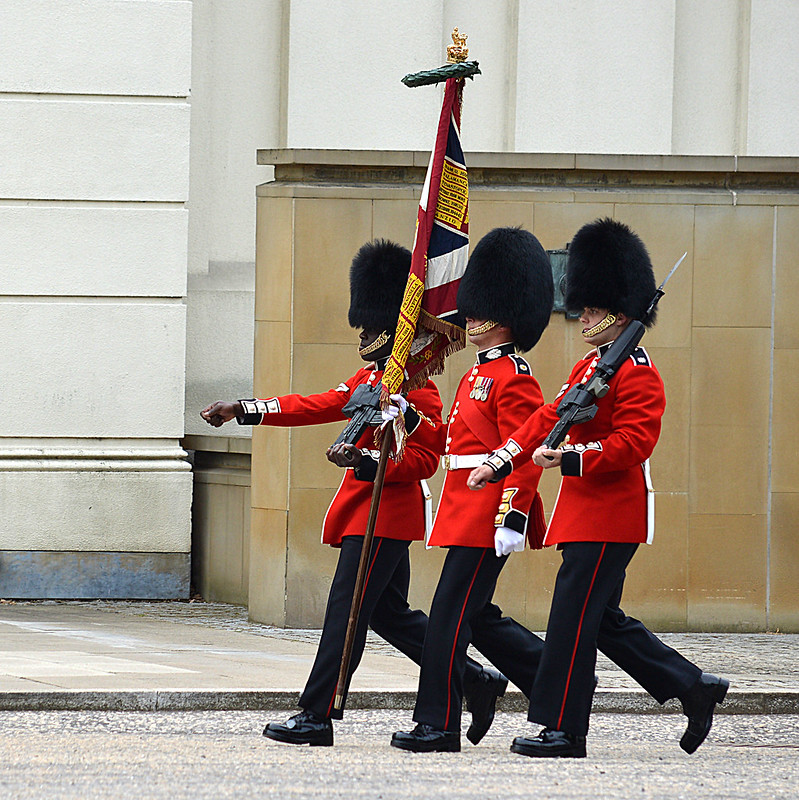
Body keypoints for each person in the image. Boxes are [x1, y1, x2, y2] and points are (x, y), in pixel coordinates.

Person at [201, 239, 505, 747]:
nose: (362, 333)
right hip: (368, 514)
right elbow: (315, 404)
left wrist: (368, 458)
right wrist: (243, 408)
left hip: (385, 516)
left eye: (369, 325)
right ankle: (474, 678)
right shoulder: (372, 377)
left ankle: (317, 714)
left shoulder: (418, 386)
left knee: (344, 617)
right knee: (389, 615)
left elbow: (425, 459)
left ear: (391, 328)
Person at [467, 218, 729, 758]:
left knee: (572, 620)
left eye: (589, 307)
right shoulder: (591, 365)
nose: (581, 314)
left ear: (617, 308)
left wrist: (574, 458)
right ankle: (693, 687)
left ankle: (564, 729)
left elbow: (635, 442)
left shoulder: (636, 370)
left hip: (611, 514)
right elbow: (547, 417)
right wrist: (503, 457)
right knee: (603, 620)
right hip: (584, 513)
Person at [391, 227, 555, 753]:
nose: (473, 320)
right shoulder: (474, 374)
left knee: (448, 618)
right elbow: (451, 444)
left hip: (487, 511)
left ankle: (437, 723)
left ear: (509, 315)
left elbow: (523, 450)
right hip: (463, 504)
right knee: (473, 614)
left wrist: (513, 515)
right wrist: (410, 417)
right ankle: (555, 682)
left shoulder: (515, 376)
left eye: (485, 312)